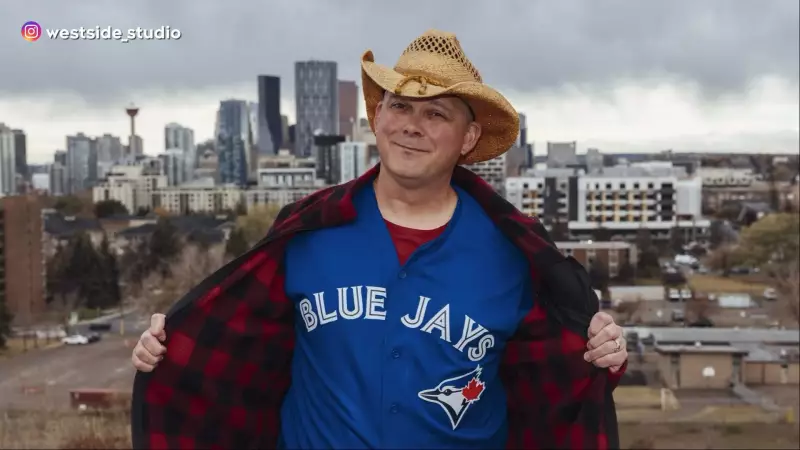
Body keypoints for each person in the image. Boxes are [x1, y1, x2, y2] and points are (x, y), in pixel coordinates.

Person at [130, 29, 628, 449]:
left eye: (435, 114)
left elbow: (559, 380)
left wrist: (603, 349)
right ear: (378, 116)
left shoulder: (515, 254)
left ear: (469, 139)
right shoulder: (308, 228)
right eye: (400, 107)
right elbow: (233, 340)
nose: (411, 127)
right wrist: (170, 338)